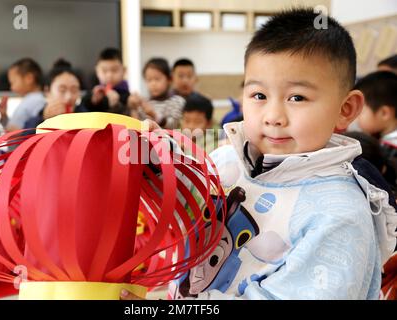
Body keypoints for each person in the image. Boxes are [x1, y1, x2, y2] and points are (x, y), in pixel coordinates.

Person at [121, 8, 397, 300]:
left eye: (297, 98)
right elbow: (191, 201)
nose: (273, 116)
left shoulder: (340, 214)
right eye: (259, 96)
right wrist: (159, 161)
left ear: (345, 109)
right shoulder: (231, 159)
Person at [24, 59, 82, 129]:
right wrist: (44, 120)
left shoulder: (87, 118)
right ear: (47, 91)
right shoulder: (35, 121)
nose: (69, 97)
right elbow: (26, 137)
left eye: (74, 90)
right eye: (62, 90)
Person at [128, 58, 184, 129]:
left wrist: (153, 114)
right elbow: (136, 126)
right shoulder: (144, 103)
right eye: (149, 80)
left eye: (157, 79)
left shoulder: (177, 101)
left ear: (169, 79)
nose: (153, 84)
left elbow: (174, 125)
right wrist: (134, 107)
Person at [354, 71, 397, 163]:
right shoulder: (380, 138)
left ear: (384, 113)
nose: (356, 117)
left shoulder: (390, 151)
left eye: (360, 111)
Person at [78, 48, 129, 115]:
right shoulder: (93, 93)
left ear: (124, 71)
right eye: (104, 70)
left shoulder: (128, 97)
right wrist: (93, 101)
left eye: (114, 70)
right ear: (97, 71)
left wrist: (116, 105)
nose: (109, 75)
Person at [3, 58, 45, 132]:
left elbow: (32, 129)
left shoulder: (36, 100)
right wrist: (4, 116)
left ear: (29, 78)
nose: (11, 87)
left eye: (13, 82)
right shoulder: (32, 99)